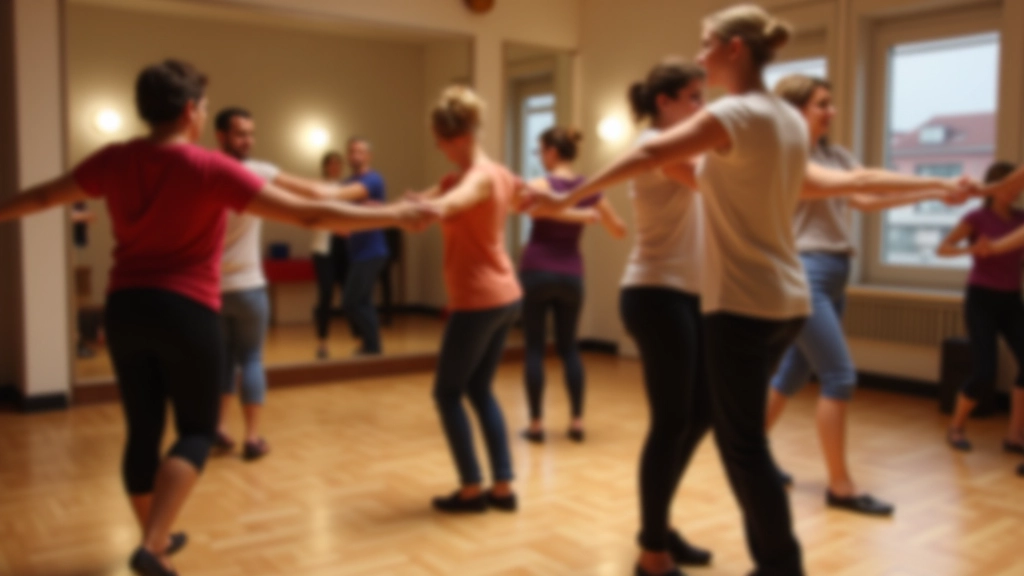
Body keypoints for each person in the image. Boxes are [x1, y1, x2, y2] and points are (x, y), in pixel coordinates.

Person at [530, 5, 969, 574]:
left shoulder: (736, 115)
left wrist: (567, 199)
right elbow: (849, 182)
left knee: (741, 444)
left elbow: (650, 153)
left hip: (741, 304)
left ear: (735, 48)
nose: (700, 55)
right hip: (783, 302)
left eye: (707, 44)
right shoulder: (784, 121)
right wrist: (936, 183)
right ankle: (666, 537)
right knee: (720, 429)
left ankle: (776, 564)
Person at [0, 59, 434, 576]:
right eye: (204, 107)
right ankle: (153, 542)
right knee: (199, 430)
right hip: (185, 309)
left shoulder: (114, 159)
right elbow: (311, 214)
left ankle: (154, 541)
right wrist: (395, 215)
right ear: (190, 111)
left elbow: (46, 195)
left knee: (142, 431)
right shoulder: (208, 168)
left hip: (125, 309)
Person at [765, 74, 961, 516]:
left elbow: (866, 197)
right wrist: (940, 185)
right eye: (822, 105)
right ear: (795, 111)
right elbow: (864, 179)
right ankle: (841, 486)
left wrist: (934, 190)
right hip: (805, 272)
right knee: (840, 376)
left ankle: (748, 453)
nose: (832, 112)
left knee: (795, 372)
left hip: (835, 271)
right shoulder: (784, 155)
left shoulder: (833, 154)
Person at [212, 107, 369, 461]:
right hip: (237, 288)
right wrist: (366, 195)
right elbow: (313, 192)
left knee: (228, 361)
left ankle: (227, 431)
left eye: (251, 133)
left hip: (226, 289)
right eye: (240, 134)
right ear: (220, 136)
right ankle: (247, 437)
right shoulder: (257, 171)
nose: (248, 140)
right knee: (247, 358)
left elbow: (313, 193)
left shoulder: (210, 169)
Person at [408, 86, 523, 514]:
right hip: (505, 296)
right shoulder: (485, 174)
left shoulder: (476, 178)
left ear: (456, 136)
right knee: (478, 388)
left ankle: (472, 488)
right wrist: (413, 206)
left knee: (447, 393)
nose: (438, 149)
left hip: (479, 300)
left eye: (439, 141)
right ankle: (503, 486)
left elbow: (454, 203)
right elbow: (433, 200)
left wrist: (433, 209)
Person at [519, 126, 627, 444]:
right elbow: (619, 230)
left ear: (552, 151)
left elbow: (527, 208)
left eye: (541, 151)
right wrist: (587, 215)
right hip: (571, 275)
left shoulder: (539, 184)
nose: (540, 158)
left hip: (536, 271)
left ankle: (537, 425)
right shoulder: (588, 188)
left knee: (535, 349)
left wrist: (568, 213)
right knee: (569, 349)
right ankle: (577, 422)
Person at [937, 161, 1024, 455]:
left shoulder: (1021, 220)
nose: (1014, 190)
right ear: (994, 187)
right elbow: (943, 248)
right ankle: (956, 426)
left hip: (1012, 300)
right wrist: (971, 249)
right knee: (984, 372)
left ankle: (1015, 435)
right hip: (981, 300)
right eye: (1008, 185)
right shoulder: (977, 217)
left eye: (1018, 185)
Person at [341, 137, 390, 356]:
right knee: (362, 301)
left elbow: (343, 202)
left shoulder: (373, 179)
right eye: (352, 151)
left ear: (368, 156)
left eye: (360, 152)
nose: (355, 155)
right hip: (357, 251)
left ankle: (373, 347)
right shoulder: (346, 182)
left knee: (351, 301)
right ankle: (371, 347)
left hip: (372, 251)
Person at [311, 151, 351, 360]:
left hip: (344, 246)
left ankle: (360, 339)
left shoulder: (348, 188)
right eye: (331, 163)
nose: (335, 167)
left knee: (350, 294)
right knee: (326, 294)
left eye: (338, 163)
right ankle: (322, 342)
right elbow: (312, 216)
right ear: (325, 166)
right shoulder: (318, 187)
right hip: (323, 248)